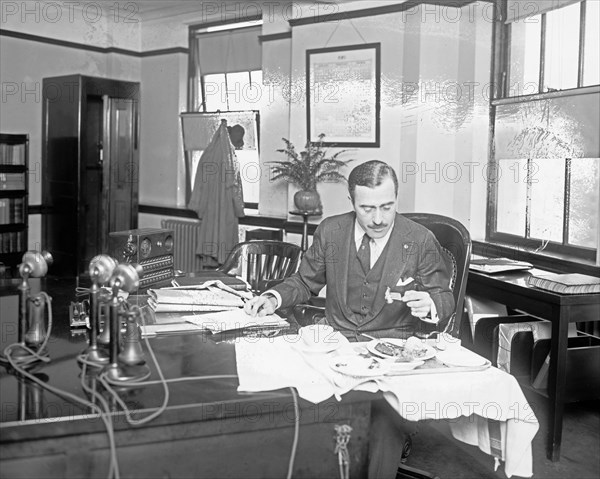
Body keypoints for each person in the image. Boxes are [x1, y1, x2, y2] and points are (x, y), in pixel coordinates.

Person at [245, 160, 455, 478]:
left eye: (387, 206)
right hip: (335, 348)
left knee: (381, 422)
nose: (379, 219)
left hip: (390, 355)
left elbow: (444, 296)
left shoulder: (420, 239)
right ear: (351, 202)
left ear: (397, 198)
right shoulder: (332, 231)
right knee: (292, 407)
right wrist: (273, 297)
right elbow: (304, 282)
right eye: (367, 208)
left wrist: (430, 304)